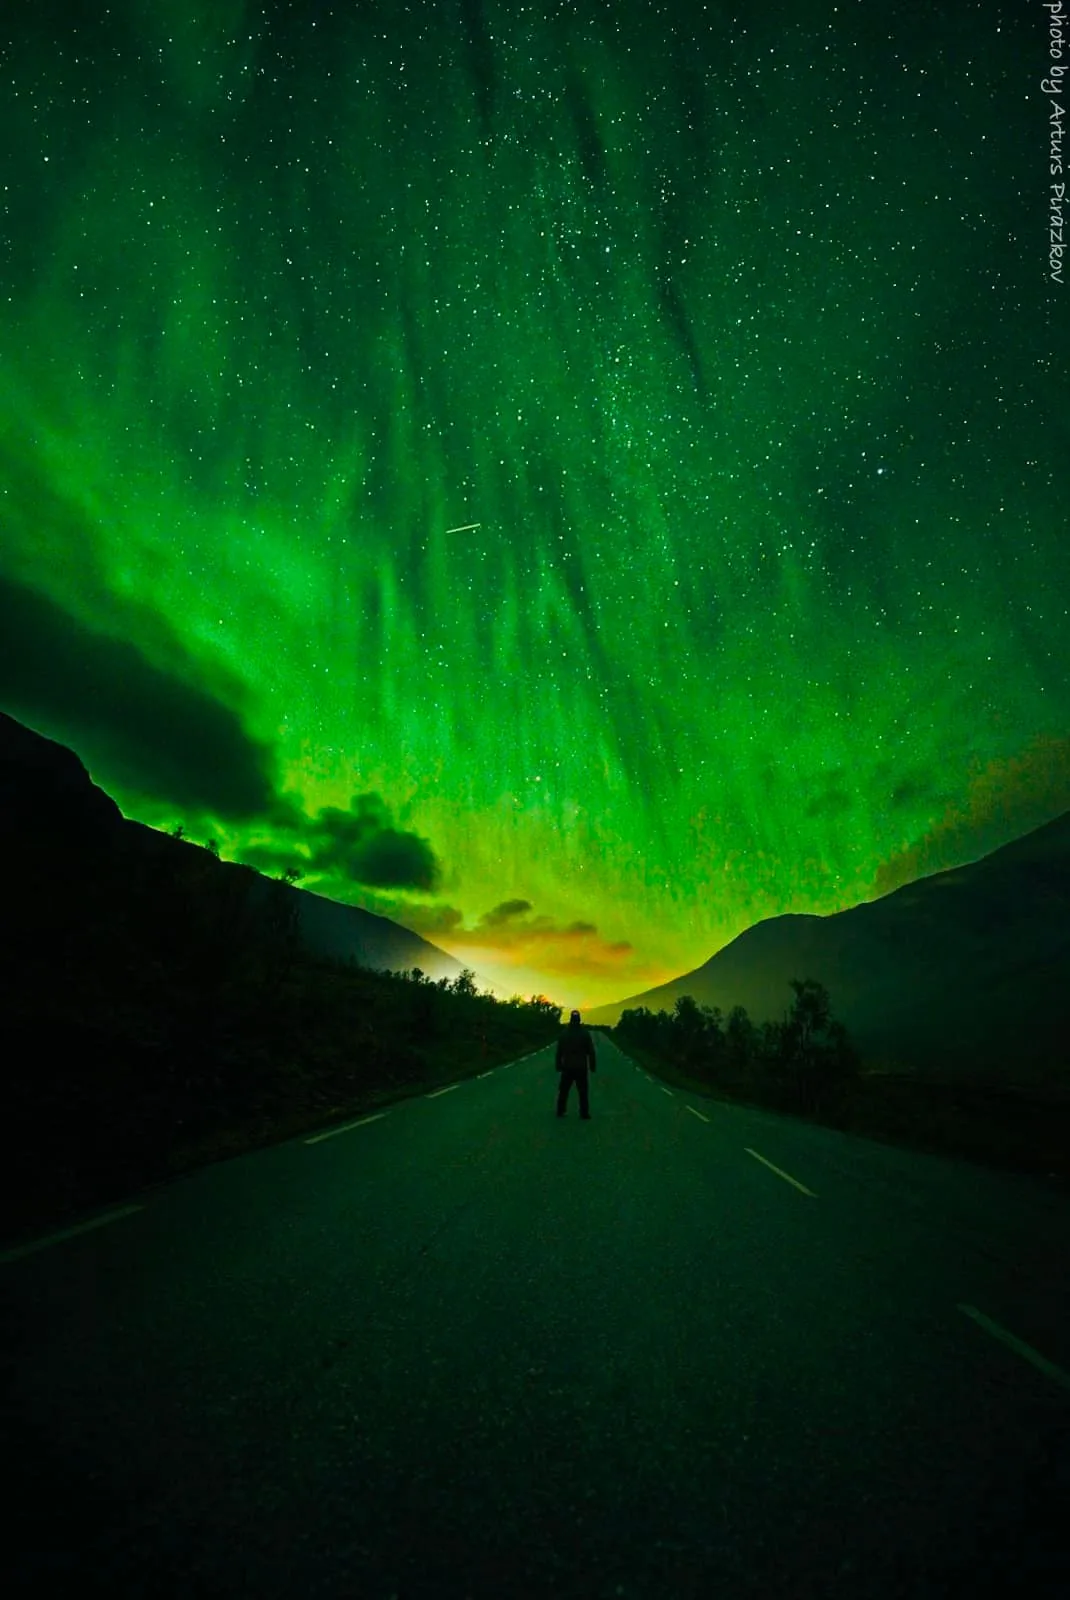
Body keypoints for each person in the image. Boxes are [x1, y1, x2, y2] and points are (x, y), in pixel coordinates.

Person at [555, 1009, 597, 1118]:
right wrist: (592, 1065)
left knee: (564, 1090)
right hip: (581, 1067)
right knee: (583, 1091)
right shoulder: (585, 1034)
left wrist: (558, 1065)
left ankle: (560, 1110)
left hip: (567, 1067)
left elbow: (559, 1051)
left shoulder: (564, 1034)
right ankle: (584, 1113)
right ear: (579, 1020)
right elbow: (591, 1051)